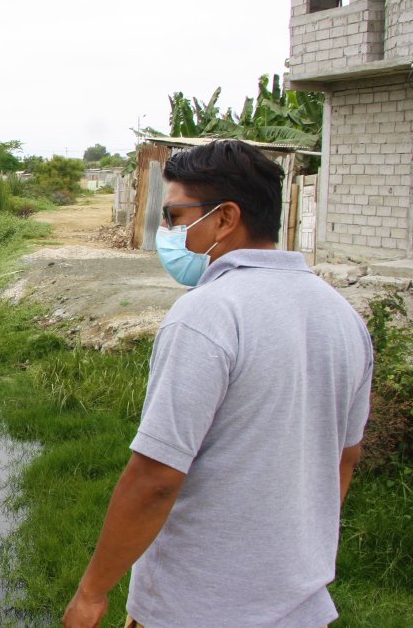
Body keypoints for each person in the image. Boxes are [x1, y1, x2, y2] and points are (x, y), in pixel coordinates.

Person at [62, 140, 373, 628]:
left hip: (195, 607)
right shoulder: (342, 316)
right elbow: (345, 458)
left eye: (175, 216)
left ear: (225, 218)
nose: (167, 232)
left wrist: (91, 593)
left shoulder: (207, 314)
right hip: (300, 606)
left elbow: (155, 479)